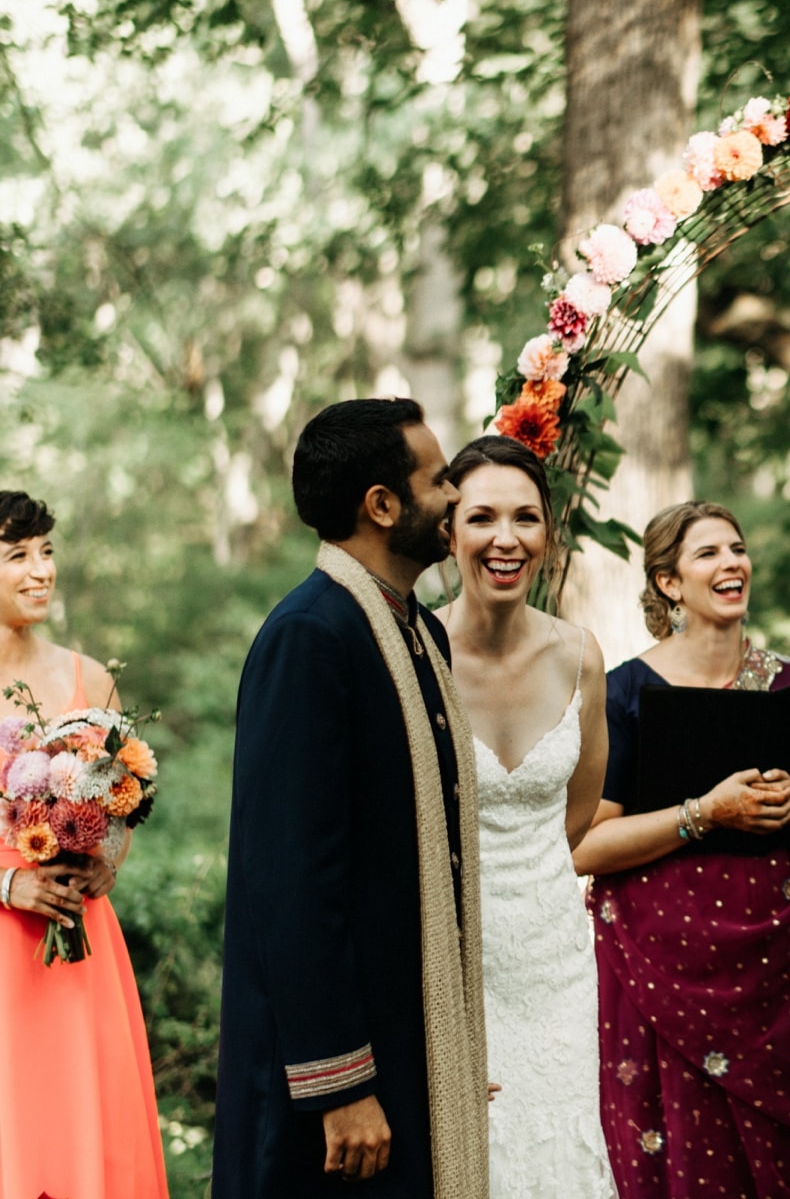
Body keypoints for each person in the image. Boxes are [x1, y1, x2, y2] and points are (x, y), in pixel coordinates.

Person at [574, 501, 790, 1199]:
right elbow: (587, 845)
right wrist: (704, 813)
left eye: (737, 549)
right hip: (658, 979)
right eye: (708, 554)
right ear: (669, 583)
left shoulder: (789, 686)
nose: (731, 564)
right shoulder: (626, 692)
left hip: (782, 988)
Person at [215, 398, 491, 1198]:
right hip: (337, 1074)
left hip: (407, 1035)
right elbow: (291, 878)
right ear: (382, 504)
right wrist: (339, 1084)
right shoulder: (310, 634)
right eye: (438, 480)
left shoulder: (418, 636)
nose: (454, 498)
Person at [435, 435, 616, 1198]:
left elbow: (574, 817)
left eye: (525, 518)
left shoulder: (581, 656)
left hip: (555, 969)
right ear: (449, 533)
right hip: (452, 962)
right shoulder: (418, 651)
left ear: (549, 533)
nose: (505, 539)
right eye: (481, 518)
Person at [0, 490, 168, 1198]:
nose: (41, 570)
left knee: (86, 1133)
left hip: (77, 937)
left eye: (47, 551)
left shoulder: (87, 676)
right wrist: (10, 884)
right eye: (17, 555)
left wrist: (104, 863)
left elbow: (123, 799)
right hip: (7, 939)